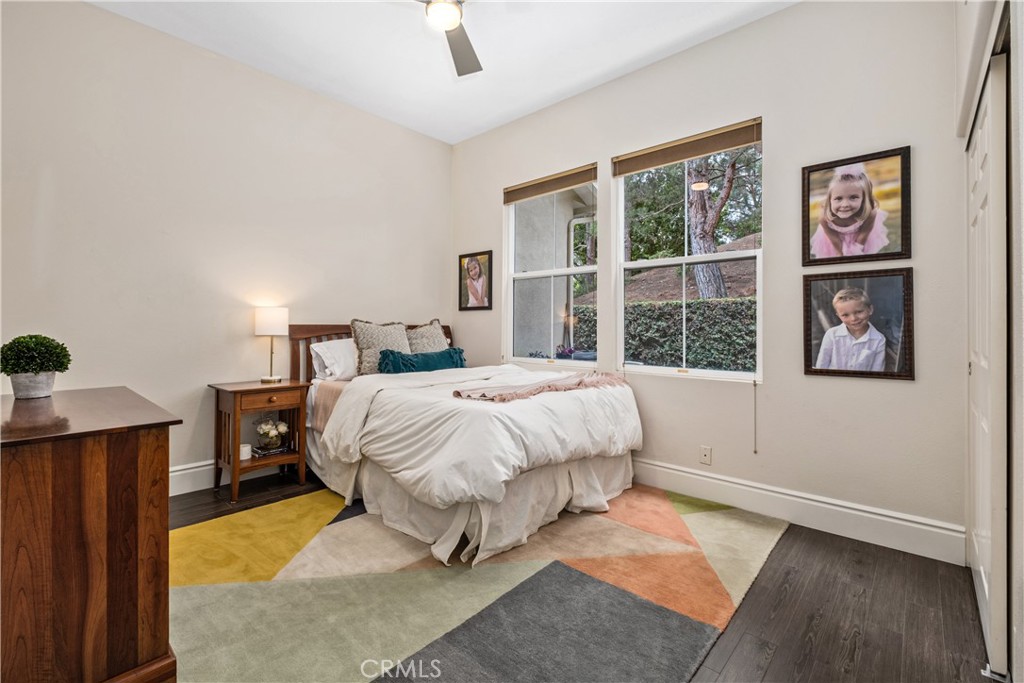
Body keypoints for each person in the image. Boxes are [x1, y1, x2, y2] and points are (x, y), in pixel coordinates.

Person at [809, 163, 889, 259]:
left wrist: (857, 251)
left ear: (864, 199)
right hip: (834, 240)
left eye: (853, 197)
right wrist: (840, 253)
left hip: (860, 236)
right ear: (830, 199)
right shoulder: (824, 217)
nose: (845, 204)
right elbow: (834, 239)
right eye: (838, 198)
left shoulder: (870, 213)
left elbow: (864, 233)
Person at [815, 287, 887, 371]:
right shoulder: (831, 334)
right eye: (845, 315)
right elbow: (821, 366)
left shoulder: (879, 340)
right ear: (839, 316)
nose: (853, 319)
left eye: (859, 312)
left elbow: (877, 370)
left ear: (870, 310)